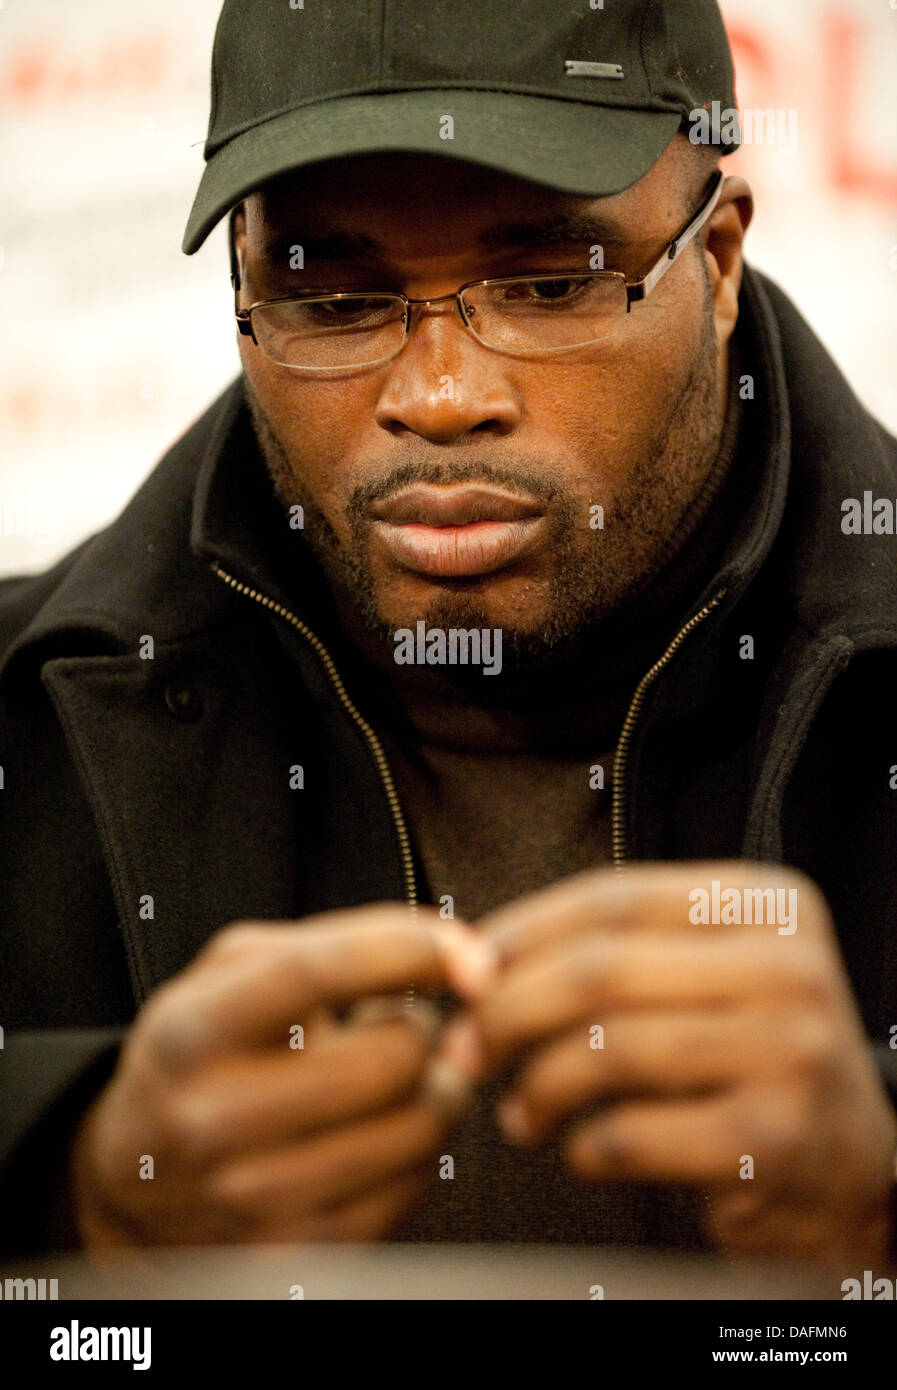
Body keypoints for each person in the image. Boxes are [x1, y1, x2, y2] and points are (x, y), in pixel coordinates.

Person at [2, 0, 896, 1270]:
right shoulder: (23, 714)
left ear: (718, 263)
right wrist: (69, 1190)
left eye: (548, 284)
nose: (439, 398)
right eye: (332, 300)